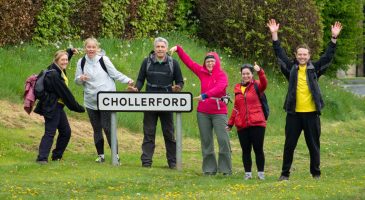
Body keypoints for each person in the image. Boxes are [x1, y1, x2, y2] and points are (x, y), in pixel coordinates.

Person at [267, 19, 342, 180]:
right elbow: (279, 55)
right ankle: (284, 174)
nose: (302, 56)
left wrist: (333, 39)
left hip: (312, 115)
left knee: (314, 146)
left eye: (305, 54)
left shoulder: (315, 69)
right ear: (296, 55)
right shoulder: (290, 69)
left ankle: (316, 173)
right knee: (289, 146)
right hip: (294, 115)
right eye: (299, 54)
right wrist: (274, 35)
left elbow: (328, 57)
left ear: (309, 56)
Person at [169, 45, 232, 175]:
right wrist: (179, 49)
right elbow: (189, 62)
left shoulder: (222, 75)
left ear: (217, 63)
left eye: (212, 62)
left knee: (223, 140)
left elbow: (220, 88)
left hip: (219, 112)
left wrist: (204, 95)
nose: (210, 64)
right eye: (208, 62)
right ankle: (209, 170)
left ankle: (225, 169)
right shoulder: (201, 72)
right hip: (203, 112)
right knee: (206, 141)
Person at [75, 37, 134, 163]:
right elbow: (76, 80)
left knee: (108, 128)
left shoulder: (103, 60)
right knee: (96, 128)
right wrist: (81, 78)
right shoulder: (81, 62)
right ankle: (100, 155)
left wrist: (128, 80)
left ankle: (115, 156)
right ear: (85, 48)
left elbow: (115, 74)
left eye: (93, 47)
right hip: (90, 101)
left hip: (107, 99)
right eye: (88, 47)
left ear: (97, 48)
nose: (91, 49)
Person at [128, 37, 184, 169]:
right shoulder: (146, 62)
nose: (160, 49)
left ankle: (173, 163)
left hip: (167, 103)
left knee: (169, 134)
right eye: (158, 47)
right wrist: (136, 88)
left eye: (162, 47)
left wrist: (178, 88)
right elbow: (141, 80)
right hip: (149, 102)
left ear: (166, 48)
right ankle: (146, 162)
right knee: (149, 133)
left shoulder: (173, 63)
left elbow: (180, 81)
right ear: (154, 48)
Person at [34, 49, 85, 164]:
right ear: (56, 61)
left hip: (58, 106)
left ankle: (56, 156)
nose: (65, 62)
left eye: (66, 60)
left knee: (66, 132)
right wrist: (78, 107)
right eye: (63, 60)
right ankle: (42, 158)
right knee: (50, 132)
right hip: (52, 106)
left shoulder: (57, 69)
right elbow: (65, 94)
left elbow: (64, 61)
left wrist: (69, 53)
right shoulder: (54, 75)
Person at [226, 62, 268, 180]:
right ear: (241, 74)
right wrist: (230, 123)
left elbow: (264, 83)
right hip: (242, 124)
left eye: (248, 73)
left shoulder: (257, 85)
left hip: (257, 123)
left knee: (258, 149)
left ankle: (261, 174)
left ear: (252, 74)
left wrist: (260, 71)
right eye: (243, 74)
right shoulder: (237, 88)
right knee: (245, 150)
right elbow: (236, 107)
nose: (245, 76)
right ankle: (248, 174)